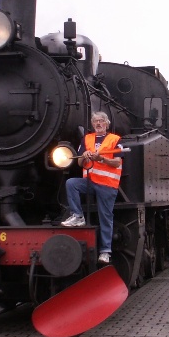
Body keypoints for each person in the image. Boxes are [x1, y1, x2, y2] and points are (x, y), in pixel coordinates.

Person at [62, 111, 123, 265]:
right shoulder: (87, 139)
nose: (98, 123)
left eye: (101, 121)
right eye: (95, 121)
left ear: (107, 124)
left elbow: (117, 162)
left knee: (105, 217)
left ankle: (105, 252)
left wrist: (101, 158)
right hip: (90, 181)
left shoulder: (115, 140)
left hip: (107, 184)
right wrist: (85, 156)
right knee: (71, 184)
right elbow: (80, 163)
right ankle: (78, 216)